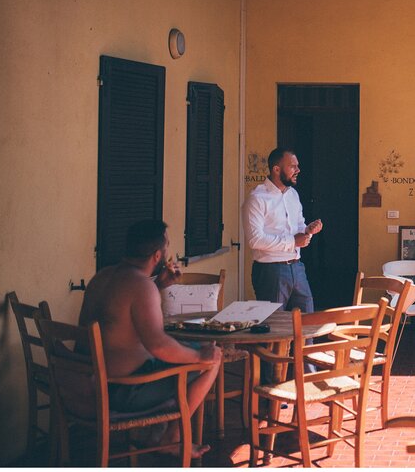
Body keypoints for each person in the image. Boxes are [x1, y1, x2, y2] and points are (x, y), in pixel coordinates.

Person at [79, 219, 222, 459]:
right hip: (121, 392)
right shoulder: (140, 286)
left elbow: (123, 310)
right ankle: (172, 438)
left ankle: (154, 435)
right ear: (158, 255)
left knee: (189, 352)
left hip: (88, 384)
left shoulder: (101, 277)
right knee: (212, 359)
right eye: (167, 245)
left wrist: (159, 284)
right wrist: (200, 355)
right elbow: (158, 345)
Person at [241, 147, 323, 313]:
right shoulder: (257, 198)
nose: (298, 170)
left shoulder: (293, 195)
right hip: (271, 271)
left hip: (297, 267)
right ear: (276, 169)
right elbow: (255, 240)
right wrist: (293, 241)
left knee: (306, 323)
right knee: (274, 328)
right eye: (292, 166)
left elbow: (299, 226)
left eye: (297, 166)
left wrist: (308, 230)